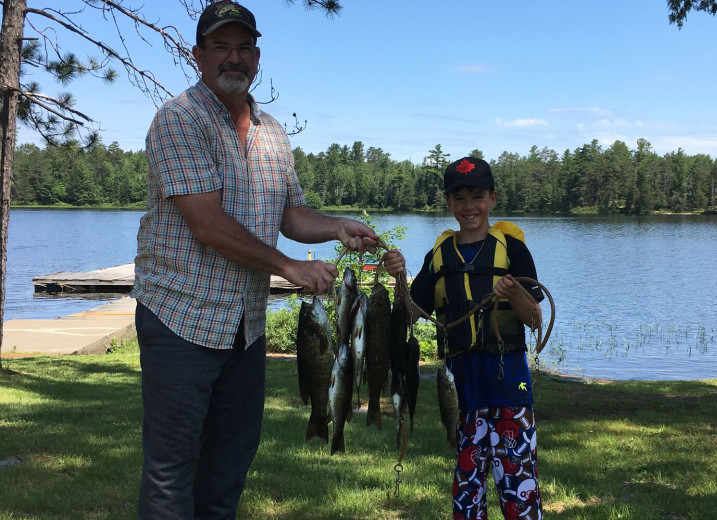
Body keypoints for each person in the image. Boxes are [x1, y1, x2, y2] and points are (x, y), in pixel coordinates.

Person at [131, 2, 380, 518]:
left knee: (229, 465)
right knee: (171, 469)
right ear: (199, 56)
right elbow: (207, 224)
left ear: (257, 56)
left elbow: (289, 213)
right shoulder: (178, 120)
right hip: (180, 319)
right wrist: (290, 267)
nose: (233, 58)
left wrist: (335, 227)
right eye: (221, 47)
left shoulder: (272, 132)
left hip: (245, 329)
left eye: (243, 47)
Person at [384, 156, 545, 520]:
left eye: (477, 196)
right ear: (448, 203)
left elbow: (535, 320)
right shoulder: (439, 255)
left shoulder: (513, 250)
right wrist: (399, 277)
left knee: (519, 491)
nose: (468, 206)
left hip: (510, 391)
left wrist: (515, 293)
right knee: (467, 496)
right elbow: (411, 312)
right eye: (459, 198)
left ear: (492, 198)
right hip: (461, 391)